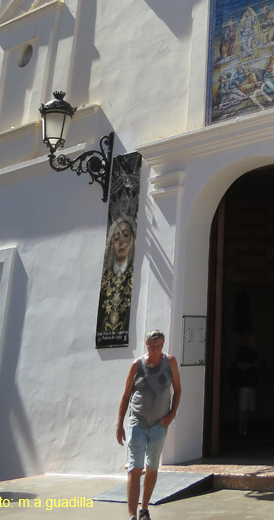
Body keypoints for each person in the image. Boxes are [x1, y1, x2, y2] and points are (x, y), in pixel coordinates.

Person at [116, 330, 181, 520]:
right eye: (152, 346)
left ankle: (144, 507)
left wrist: (172, 414)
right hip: (138, 421)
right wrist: (119, 424)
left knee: (152, 467)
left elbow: (177, 389)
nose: (155, 350)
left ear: (163, 346)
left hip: (159, 424)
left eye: (159, 346)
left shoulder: (171, 362)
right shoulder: (137, 365)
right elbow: (126, 395)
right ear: (146, 345)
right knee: (135, 468)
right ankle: (132, 515)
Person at [97, 219, 136, 340]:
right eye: (116, 238)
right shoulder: (106, 280)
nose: (121, 242)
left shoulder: (131, 273)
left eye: (125, 235)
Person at [234, 331, 259, 437]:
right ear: (248, 339)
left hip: (252, 385)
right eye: (253, 338)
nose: (255, 341)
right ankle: (240, 431)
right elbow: (238, 365)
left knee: (248, 410)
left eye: (255, 339)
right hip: (244, 384)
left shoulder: (255, 353)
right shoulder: (243, 351)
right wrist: (252, 365)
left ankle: (245, 431)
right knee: (242, 409)